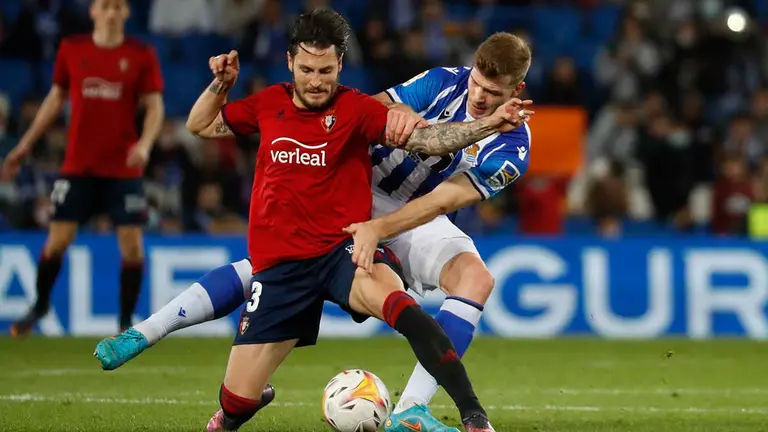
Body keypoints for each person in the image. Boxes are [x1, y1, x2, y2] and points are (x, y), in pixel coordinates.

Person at [99, 9, 529, 432]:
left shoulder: (514, 144)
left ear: (517, 90)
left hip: (416, 211)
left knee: (474, 280)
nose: (479, 96)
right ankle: (154, 333)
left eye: (492, 93)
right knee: (270, 293)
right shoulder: (439, 81)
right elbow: (370, 110)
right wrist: (399, 114)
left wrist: (380, 226)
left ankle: (413, 409)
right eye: (477, 83)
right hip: (361, 188)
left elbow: (441, 199)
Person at [3, 0, 165, 336]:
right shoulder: (72, 49)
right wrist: (25, 144)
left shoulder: (140, 54)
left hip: (123, 168)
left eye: (118, 6)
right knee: (58, 240)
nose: (111, 12)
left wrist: (145, 145)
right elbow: (55, 98)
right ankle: (41, 303)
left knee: (133, 245)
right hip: (78, 166)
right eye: (105, 6)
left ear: (126, 13)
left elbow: (154, 106)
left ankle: (124, 321)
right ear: (93, 11)